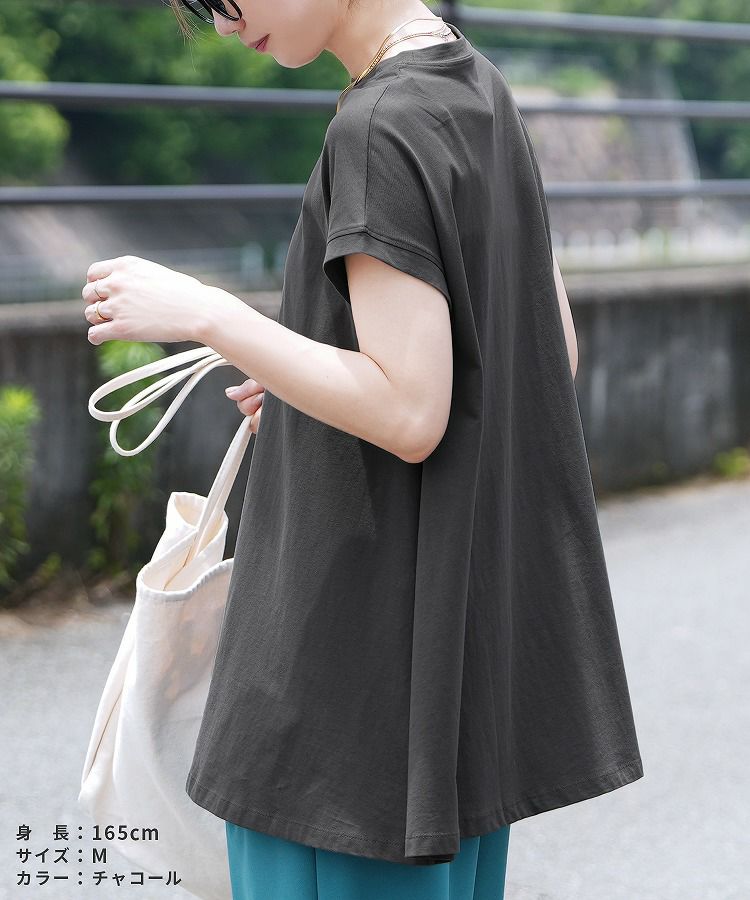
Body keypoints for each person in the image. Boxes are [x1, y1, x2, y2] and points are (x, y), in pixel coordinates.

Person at [84, 0, 643, 896]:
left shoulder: (376, 126)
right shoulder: (476, 87)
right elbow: (545, 354)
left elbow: (412, 412)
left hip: (343, 698)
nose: (224, 24)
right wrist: (308, 371)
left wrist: (208, 315)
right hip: (437, 689)